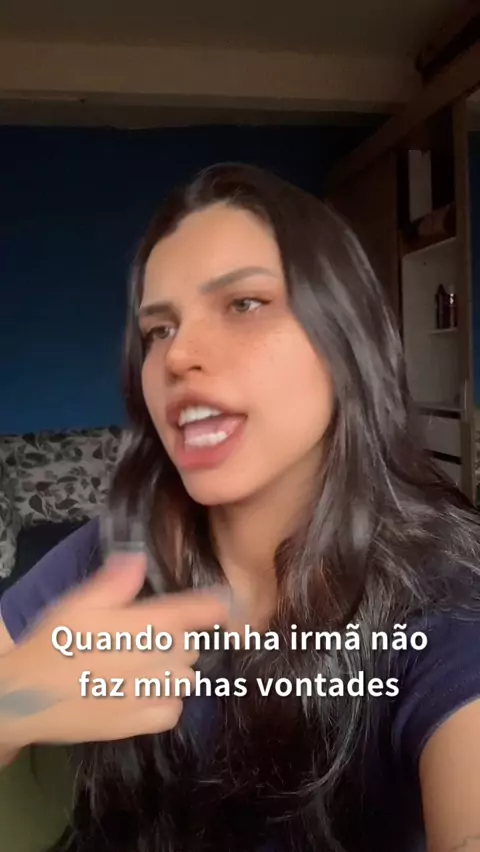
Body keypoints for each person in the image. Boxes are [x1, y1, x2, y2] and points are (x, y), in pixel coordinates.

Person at [1, 163, 480, 852]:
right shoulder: (118, 553)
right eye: (158, 330)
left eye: (244, 304)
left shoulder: (446, 596)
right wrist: (14, 703)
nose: (178, 356)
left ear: (345, 338)